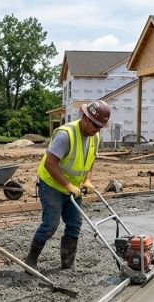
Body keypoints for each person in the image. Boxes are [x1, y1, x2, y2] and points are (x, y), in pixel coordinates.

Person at [24, 100, 111, 270]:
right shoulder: (65, 135)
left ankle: (68, 263)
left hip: (73, 186)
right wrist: (67, 185)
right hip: (51, 184)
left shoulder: (95, 136)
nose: (97, 129)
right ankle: (30, 260)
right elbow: (50, 163)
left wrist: (87, 179)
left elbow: (90, 159)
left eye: (101, 127)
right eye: (95, 125)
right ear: (85, 117)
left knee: (74, 223)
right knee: (50, 224)